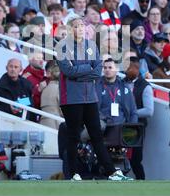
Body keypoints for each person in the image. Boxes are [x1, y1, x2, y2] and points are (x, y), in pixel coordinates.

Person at [56, 16, 133, 181]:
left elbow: (97, 72)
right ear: (70, 29)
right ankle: (73, 173)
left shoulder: (91, 45)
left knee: (97, 136)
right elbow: (68, 71)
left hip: (90, 97)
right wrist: (87, 69)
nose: (80, 29)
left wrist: (80, 72)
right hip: (71, 98)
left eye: (82, 26)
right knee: (73, 136)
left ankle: (112, 172)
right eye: (76, 26)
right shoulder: (62, 46)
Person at [124, 56, 154, 179]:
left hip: (136, 128)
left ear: (138, 69)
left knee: (135, 159)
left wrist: (131, 113)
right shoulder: (120, 82)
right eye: (127, 67)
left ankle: (141, 182)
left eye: (133, 67)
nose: (130, 70)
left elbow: (149, 111)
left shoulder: (145, 86)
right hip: (118, 124)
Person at [40, 61, 63, 130]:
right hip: (55, 125)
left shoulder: (43, 85)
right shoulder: (30, 80)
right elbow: (30, 100)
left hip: (44, 123)